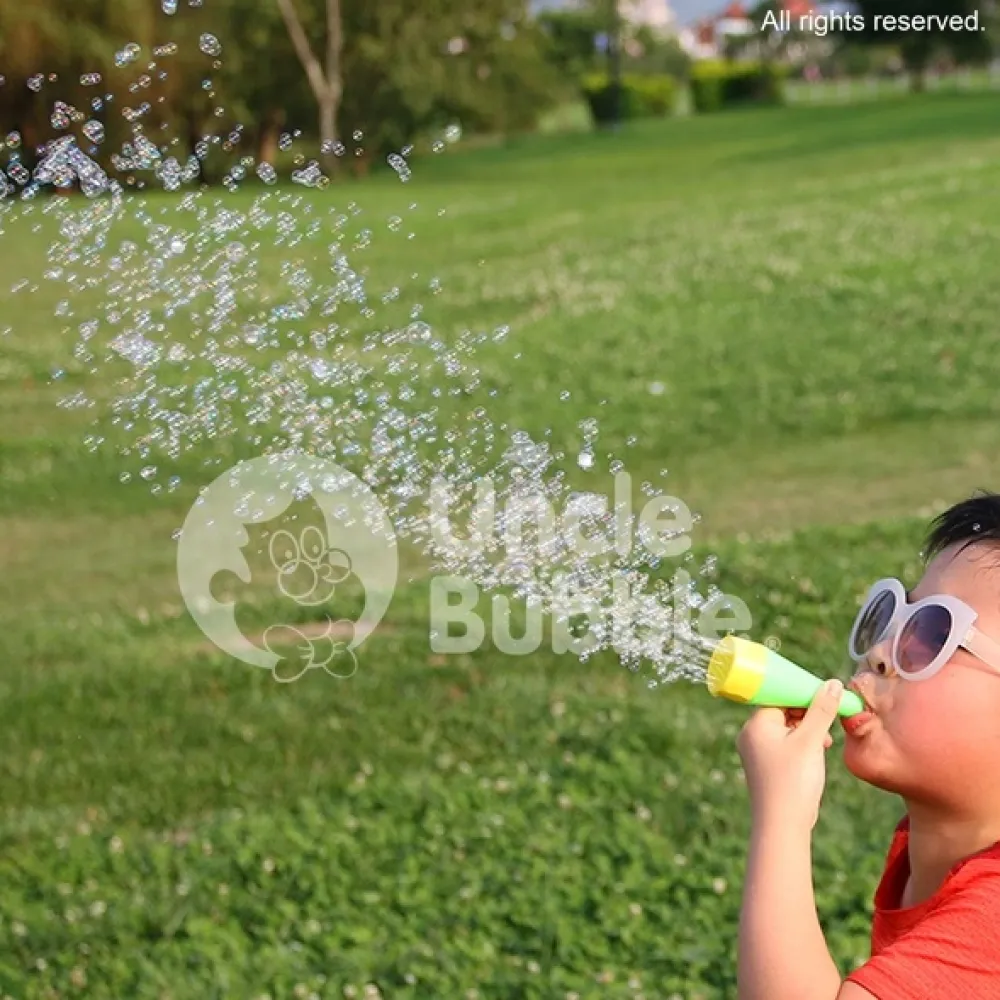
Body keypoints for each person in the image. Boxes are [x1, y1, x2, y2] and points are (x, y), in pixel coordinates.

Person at [735, 491, 1000, 1000]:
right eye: (895, 618)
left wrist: (782, 818)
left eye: (934, 633)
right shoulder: (930, 852)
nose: (879, 653)